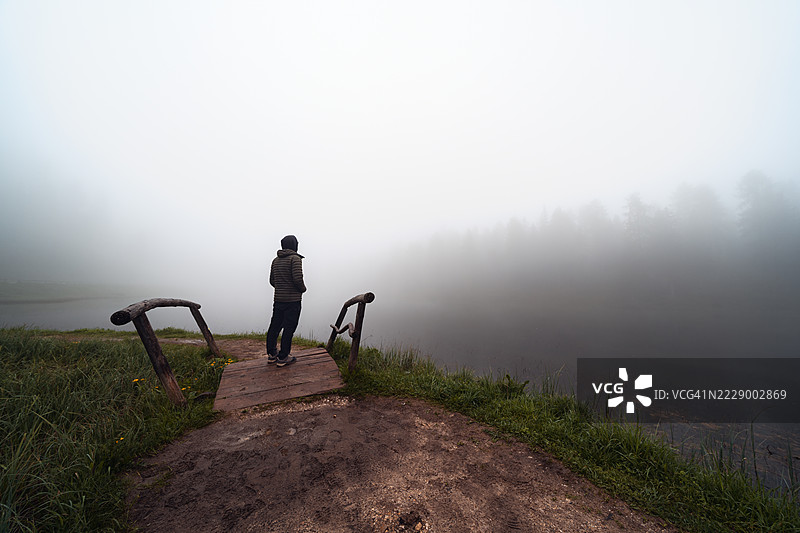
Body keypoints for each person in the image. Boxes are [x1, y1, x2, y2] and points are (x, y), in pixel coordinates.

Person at [266, 235, 306, 367]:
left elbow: (272, 281)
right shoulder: (295, 259)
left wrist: (281, 288)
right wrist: (303, 289)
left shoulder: (275, 260)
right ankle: (283, 357)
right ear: (294, 245)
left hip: (278, 300)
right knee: (289, 328)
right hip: (292, 301)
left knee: (275, 326)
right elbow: (298, 279)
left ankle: (272, 354)